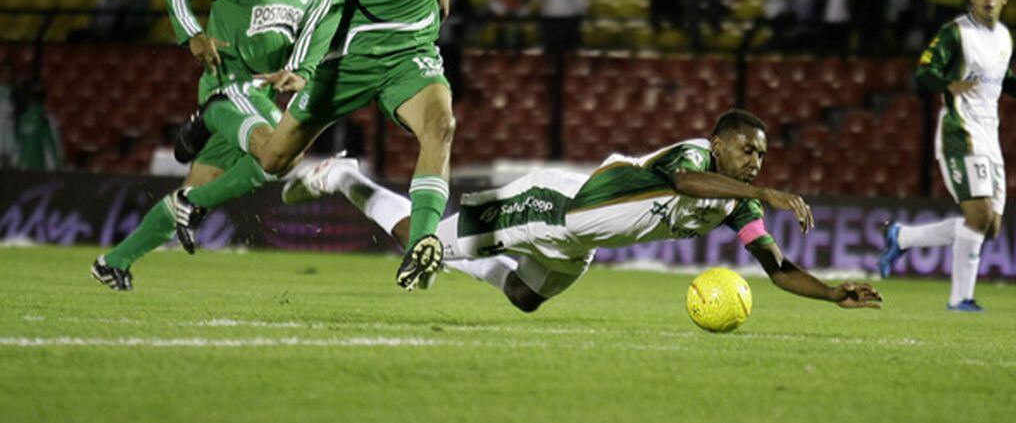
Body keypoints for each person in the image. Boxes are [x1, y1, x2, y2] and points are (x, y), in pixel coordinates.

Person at [172, 0, 462, 291]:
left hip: (410, 51)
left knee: (441, 126)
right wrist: (304, 66)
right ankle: (200, 189)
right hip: (349, 56)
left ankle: (421, 246)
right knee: (273, 158)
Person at [284, 110, 883, 313]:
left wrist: (832, 294)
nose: (756, 161)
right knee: (422, 243)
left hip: (580, 246)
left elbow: (776, 267)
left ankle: (461, 253)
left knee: (524, 298)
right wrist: (765, 193)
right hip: (550, 207)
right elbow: (681, 180)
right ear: (720, 142)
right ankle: (343, 176)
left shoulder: (732, 202)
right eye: (747, 149)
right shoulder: (696, 156)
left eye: (763, 155)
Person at [90, 0, 315, 291]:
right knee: (284, 152)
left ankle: (114, 262)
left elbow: (310, 36)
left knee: (194, 192)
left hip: (261, 96)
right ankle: (208, 117)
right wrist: (192, 34)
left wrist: (297, 69)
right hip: (229, 86)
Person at [879, 0, 1016, 311]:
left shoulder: (1004, 38)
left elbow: (1005, 80)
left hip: (989, 136)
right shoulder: (956, 34)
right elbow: (924, 71)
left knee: (991, 227)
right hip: (959, 131)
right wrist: (947, 85)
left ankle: (903, 237)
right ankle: (960, 299)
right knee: (979, 215)